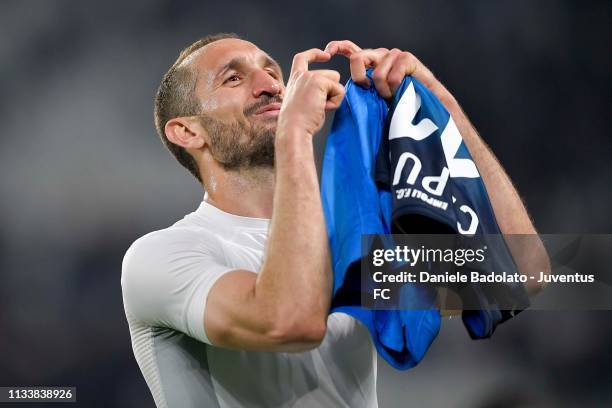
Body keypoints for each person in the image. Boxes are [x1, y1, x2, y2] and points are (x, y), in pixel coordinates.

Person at [121, 33, 548, 408]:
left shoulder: (348, 238)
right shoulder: (160, 257)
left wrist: (438, 106)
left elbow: (519, 272)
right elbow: (290, 320)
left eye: (272, 72)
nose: (269, 86)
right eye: (233, 78)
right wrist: (294, 135)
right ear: (188, 133)